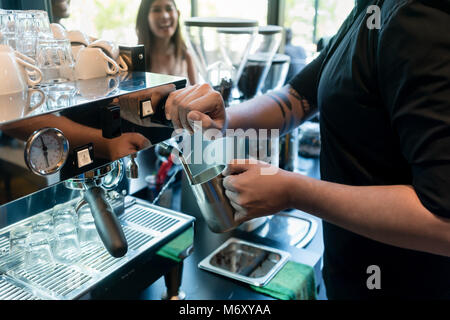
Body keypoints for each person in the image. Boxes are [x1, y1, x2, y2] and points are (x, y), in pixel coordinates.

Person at [164, 0, 450, 299]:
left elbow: (443, 224)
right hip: (351, 271)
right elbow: (297, 97)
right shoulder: (369, 10)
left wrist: (293, 191)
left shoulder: (418, 16)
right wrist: (226, 119)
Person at [136, 0, 197, 85]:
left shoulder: (186, 56)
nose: (165, 16)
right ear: (145, 17)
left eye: (169, 9)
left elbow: (197, 92)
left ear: (178, 13)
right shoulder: (136, 61)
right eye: (156, 10)